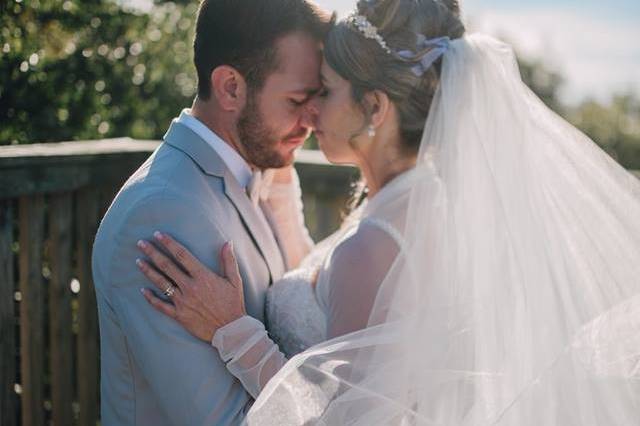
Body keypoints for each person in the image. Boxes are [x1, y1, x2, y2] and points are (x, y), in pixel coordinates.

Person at [137, 0, 640, 424]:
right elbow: (349, 324)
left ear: (375, 109)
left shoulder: (373, 247)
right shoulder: (426, 203)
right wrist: (285, 199)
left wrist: (235, 334)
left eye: (327, 92)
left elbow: (338, 417)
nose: (311, 111)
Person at [91, 0, 333, 424]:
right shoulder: (163, 213)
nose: (310, 121)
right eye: (297, 100)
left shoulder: (249, 176)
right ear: (231, 88)